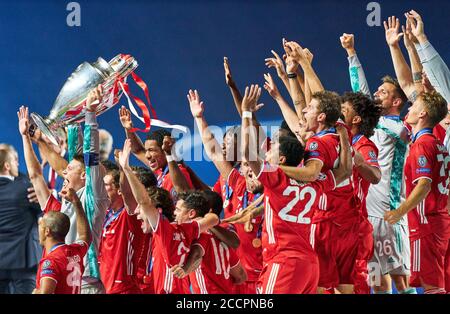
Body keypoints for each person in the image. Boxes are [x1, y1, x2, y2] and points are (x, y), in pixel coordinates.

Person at [239, 84, 353, 294]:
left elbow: (246, 150)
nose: (267, 153)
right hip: (309, 266)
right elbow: (345, 171)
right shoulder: (319, 183)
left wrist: (246, 112)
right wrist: (344, 136)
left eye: (271, 150)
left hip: (283, 262)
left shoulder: (276, 178)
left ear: (282, 159)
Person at [341, 32, 414, 294]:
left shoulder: (400, 129)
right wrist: (351, 53)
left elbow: (406, 133)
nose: (376, 93)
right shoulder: (373, 128)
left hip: (389, 213)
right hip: (366, 214)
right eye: (377, 90)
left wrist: (369, 115)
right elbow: (360, 92)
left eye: (383, 92)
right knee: (376, 280)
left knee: (400, 281)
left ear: (396, 101)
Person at [21, 85, 110, 294]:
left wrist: (90, 115)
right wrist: (70, 119)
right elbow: (35, 175)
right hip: (65, 282)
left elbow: (91, 157)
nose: (63, 172)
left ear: (84, 176)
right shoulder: (58, 207)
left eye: (69, 170)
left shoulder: (94, 197)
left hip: (87, 283)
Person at [118, 139, 220, 294]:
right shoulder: (186, 229)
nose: (138, 214)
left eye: (142, 210)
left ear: (158, 212)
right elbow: (214, 218)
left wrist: (126, 168)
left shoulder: (166, 230)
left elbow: (144, 201)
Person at [188, 88, 264, 293]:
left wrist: (247, 113)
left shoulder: (273, 188)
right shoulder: (237, 182)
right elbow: (212, 151)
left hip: (268, 273)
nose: (248, 169)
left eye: (252, 164)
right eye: (246, 165)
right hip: (241, 275)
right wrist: (199, 118)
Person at [384, 91, 450, 294]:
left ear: (423, 113)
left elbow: (424, 185)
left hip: (425, 225)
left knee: (433, 288)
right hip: (440, 222)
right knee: (440, 285)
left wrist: (399, 212)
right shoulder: (439, 145)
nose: (409, 109)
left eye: (413, 106)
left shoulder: (422, 145)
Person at [340, 91, 382, 294]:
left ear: (355, 119)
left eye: (343, 110)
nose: (339, 113)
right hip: (336, 225)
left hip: (355, 229)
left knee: (356, 285)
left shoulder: (363, 145)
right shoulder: (338, 141)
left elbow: (375, 175)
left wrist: (358, 159)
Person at [118, 106, 193, 200]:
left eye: (151, 150)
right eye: (147, 150)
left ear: (165, 150)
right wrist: (129, 129)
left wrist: (170, 154)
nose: (147, 156)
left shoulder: (180, 172)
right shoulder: (160, 171)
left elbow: (184, 195)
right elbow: (137, 150)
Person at [33, 186, 91, 294]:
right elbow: (85, 235)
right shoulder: (75, 252)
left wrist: (36, 292)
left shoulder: (50, 261)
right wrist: (76, 202)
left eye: (40, 225)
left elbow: (46, 292)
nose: (38, 229)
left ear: (47, 231)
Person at [0, 145, 41, 294]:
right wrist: (43, 194)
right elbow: (49, 210)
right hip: (24, 262)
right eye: (15, 160)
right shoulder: (27, 190)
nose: (18, 164)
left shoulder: (24, 185)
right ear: (7, 165)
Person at [98, 167, 143, 294]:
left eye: (105, 185)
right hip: (103, 287)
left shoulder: (129, 215)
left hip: (123, 289)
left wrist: (123, 166)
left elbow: (128, 194)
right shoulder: (104, 214)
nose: (101, 189)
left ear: (119, 190)